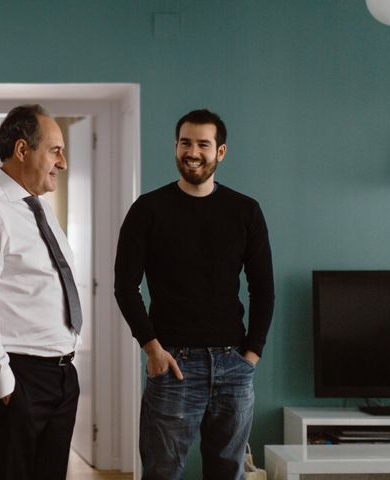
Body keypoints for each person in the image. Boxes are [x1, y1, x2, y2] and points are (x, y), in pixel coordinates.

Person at [114, 109, 275, 480]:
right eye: (185, 142)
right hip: (173, 363)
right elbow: (125, 285)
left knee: (227, 472)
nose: (193, 151)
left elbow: (263, 287)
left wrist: (251, 354)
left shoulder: (245, 211)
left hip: (233, 363)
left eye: (203, 144)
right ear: (175, 147)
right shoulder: (147, 210)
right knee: (162, 472)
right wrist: (152, 347)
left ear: (220, 152)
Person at [0, 104, 82, 480]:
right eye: (55, 150)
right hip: (18, 377)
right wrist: (5, 386)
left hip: (60, 376)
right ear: (23, 150)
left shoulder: (39, 208)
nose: (63, 162)